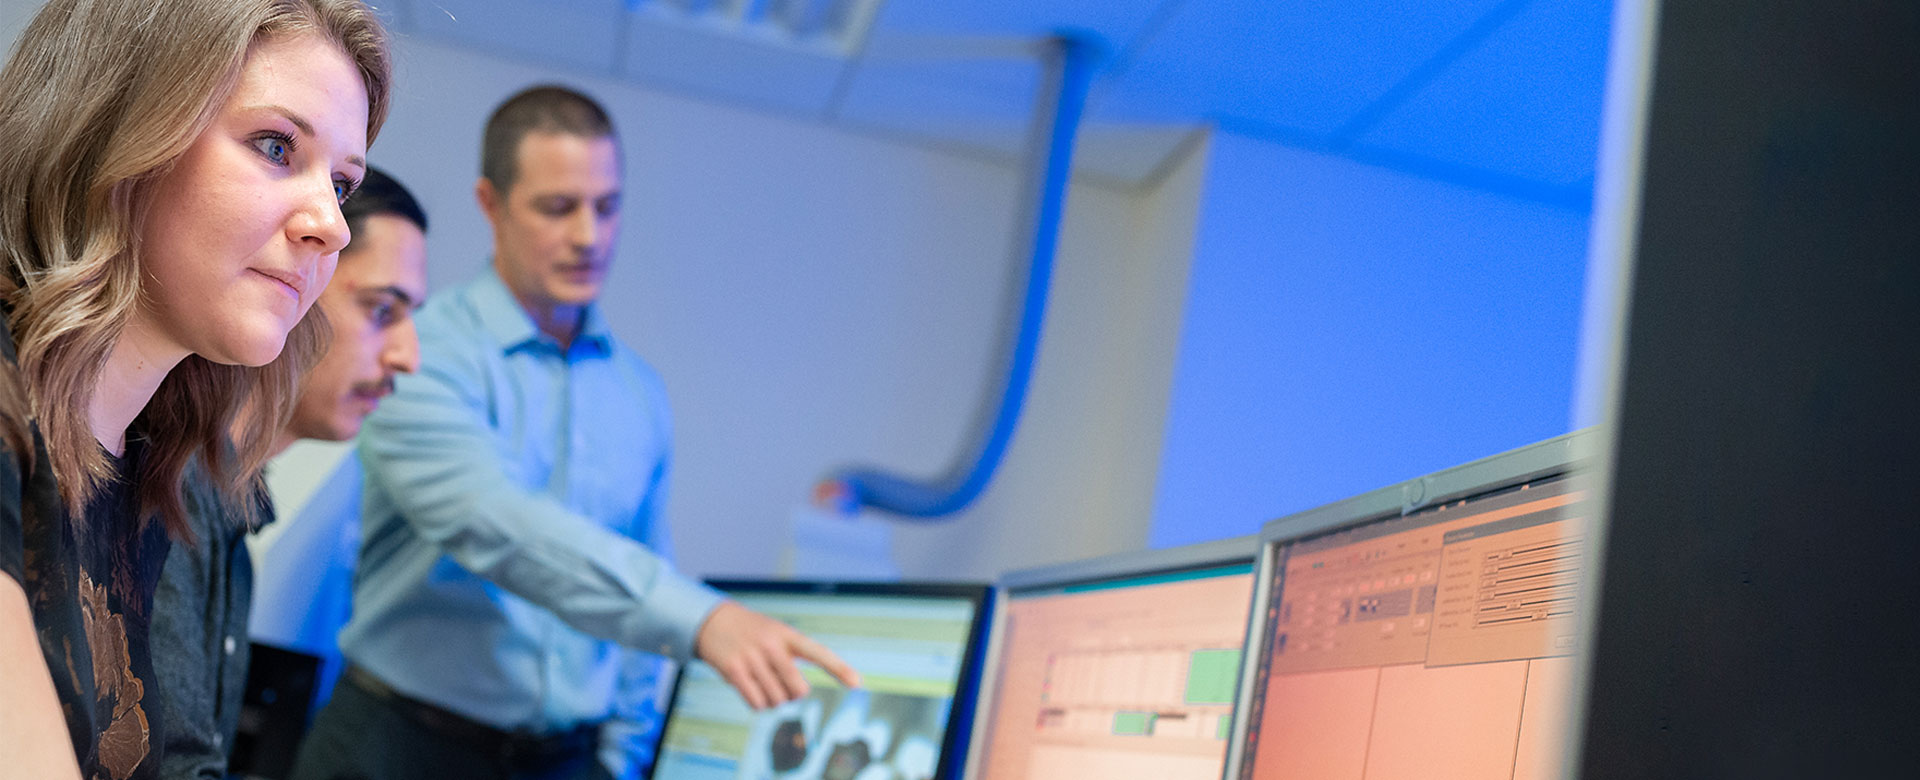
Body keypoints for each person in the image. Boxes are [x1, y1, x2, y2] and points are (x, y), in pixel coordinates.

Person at [290, 85, 858, 780]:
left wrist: (619, 762)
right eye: (558, 208)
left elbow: (644, 572)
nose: (588, 236)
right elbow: (498, 525)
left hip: (567, 761)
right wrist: (702, 620)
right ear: (492, 205)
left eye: (607, 207)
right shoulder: (418, 353)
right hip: (401, 745)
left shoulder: (638, 395)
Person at [0, 1, 390, 778]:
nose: (333, 225)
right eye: (277, 146)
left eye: (342, 185)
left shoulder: (154, 471)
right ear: (115, 128)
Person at [150, 168, 429, 780]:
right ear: (294, 280)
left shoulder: (226, 518)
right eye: (382, 310)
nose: (407, 357)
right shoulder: (165, 497)